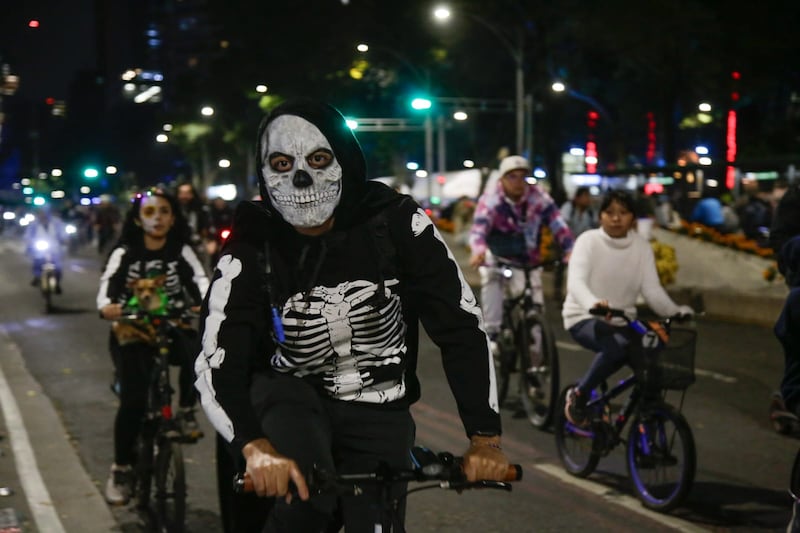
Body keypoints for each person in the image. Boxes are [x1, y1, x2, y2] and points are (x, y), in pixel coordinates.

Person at [194, 98, 509, 533]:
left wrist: (484, 438)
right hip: (289, 399)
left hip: (381, 402)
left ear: (345, 160)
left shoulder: (397, 223)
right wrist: (254, 446)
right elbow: (217, 360)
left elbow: (459, 325)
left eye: (319, 159)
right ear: (265, 176)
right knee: (305, 504)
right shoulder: (252, 245)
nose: (302, 178)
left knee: (379, 522)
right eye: (282, 163)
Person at [97, 188, 209, 505]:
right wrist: (107, 306)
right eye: (149, 212)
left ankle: (187, 410)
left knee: (198, 352)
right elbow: (108, 285)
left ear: (173, 218)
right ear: (137, 219)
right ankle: (121, 468)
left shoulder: (181, 250)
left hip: (172, 322)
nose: (157, 218)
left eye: (164, 212)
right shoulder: (125, 252)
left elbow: (200, 280)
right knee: (133, 400)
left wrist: (205, 301)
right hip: (132, 327)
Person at [562, 189, 694, 427]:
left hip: (624, 320)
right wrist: (593, 304)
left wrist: (674, 311)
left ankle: (647, 432)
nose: (616, 218)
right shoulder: (588, 241)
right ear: (600, 216)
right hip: (584, 317)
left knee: (652, 366)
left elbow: (652, 289)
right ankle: (579, 396)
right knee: (617, 347)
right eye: (609, 212)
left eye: (623, 213)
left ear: (633, 218)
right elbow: (576, 283)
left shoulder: (641, 247)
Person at [468, 155, 574, 347]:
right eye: (512, 177)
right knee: (492, 279)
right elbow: (479, 229)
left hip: (528, 259)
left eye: (522, 176)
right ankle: (492, 335)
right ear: (502, 180)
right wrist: (479, 250)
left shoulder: (538, 197)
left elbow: (558, 224)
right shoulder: (491, 199)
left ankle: (537, 362)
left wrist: (570, 249)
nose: (518, 182)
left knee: (535, 305)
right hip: (498, 257)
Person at [554, 186, 597, 300]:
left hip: (582, 244)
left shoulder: (591, 212)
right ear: (577, 198)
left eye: (588, 196)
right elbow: (562, 226)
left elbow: (594, 227)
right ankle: (558, 291)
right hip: (566, 242)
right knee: (562, 267)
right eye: (585, 196)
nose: (588, 199)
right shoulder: (569, 208)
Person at [24, 205, 66, 292]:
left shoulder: (56, 222)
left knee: (57, 268)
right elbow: (28, 235)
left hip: (54, 248)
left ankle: (57, 283)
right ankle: (37, 277)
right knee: (37, 264)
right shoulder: (33, 224)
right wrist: (29, 241)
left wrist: (64, 239)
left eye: (44, 212)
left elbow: (63, 232)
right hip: (39, 249)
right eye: (40, 212)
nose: (42, 214)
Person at [176, 181, 212, 259]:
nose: (184, 196)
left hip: (198, 247)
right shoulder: (173, 212)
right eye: (181, 193)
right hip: (178, 248)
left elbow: (206, 227)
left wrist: (209, 241)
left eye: (187, 193)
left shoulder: (200, 210)